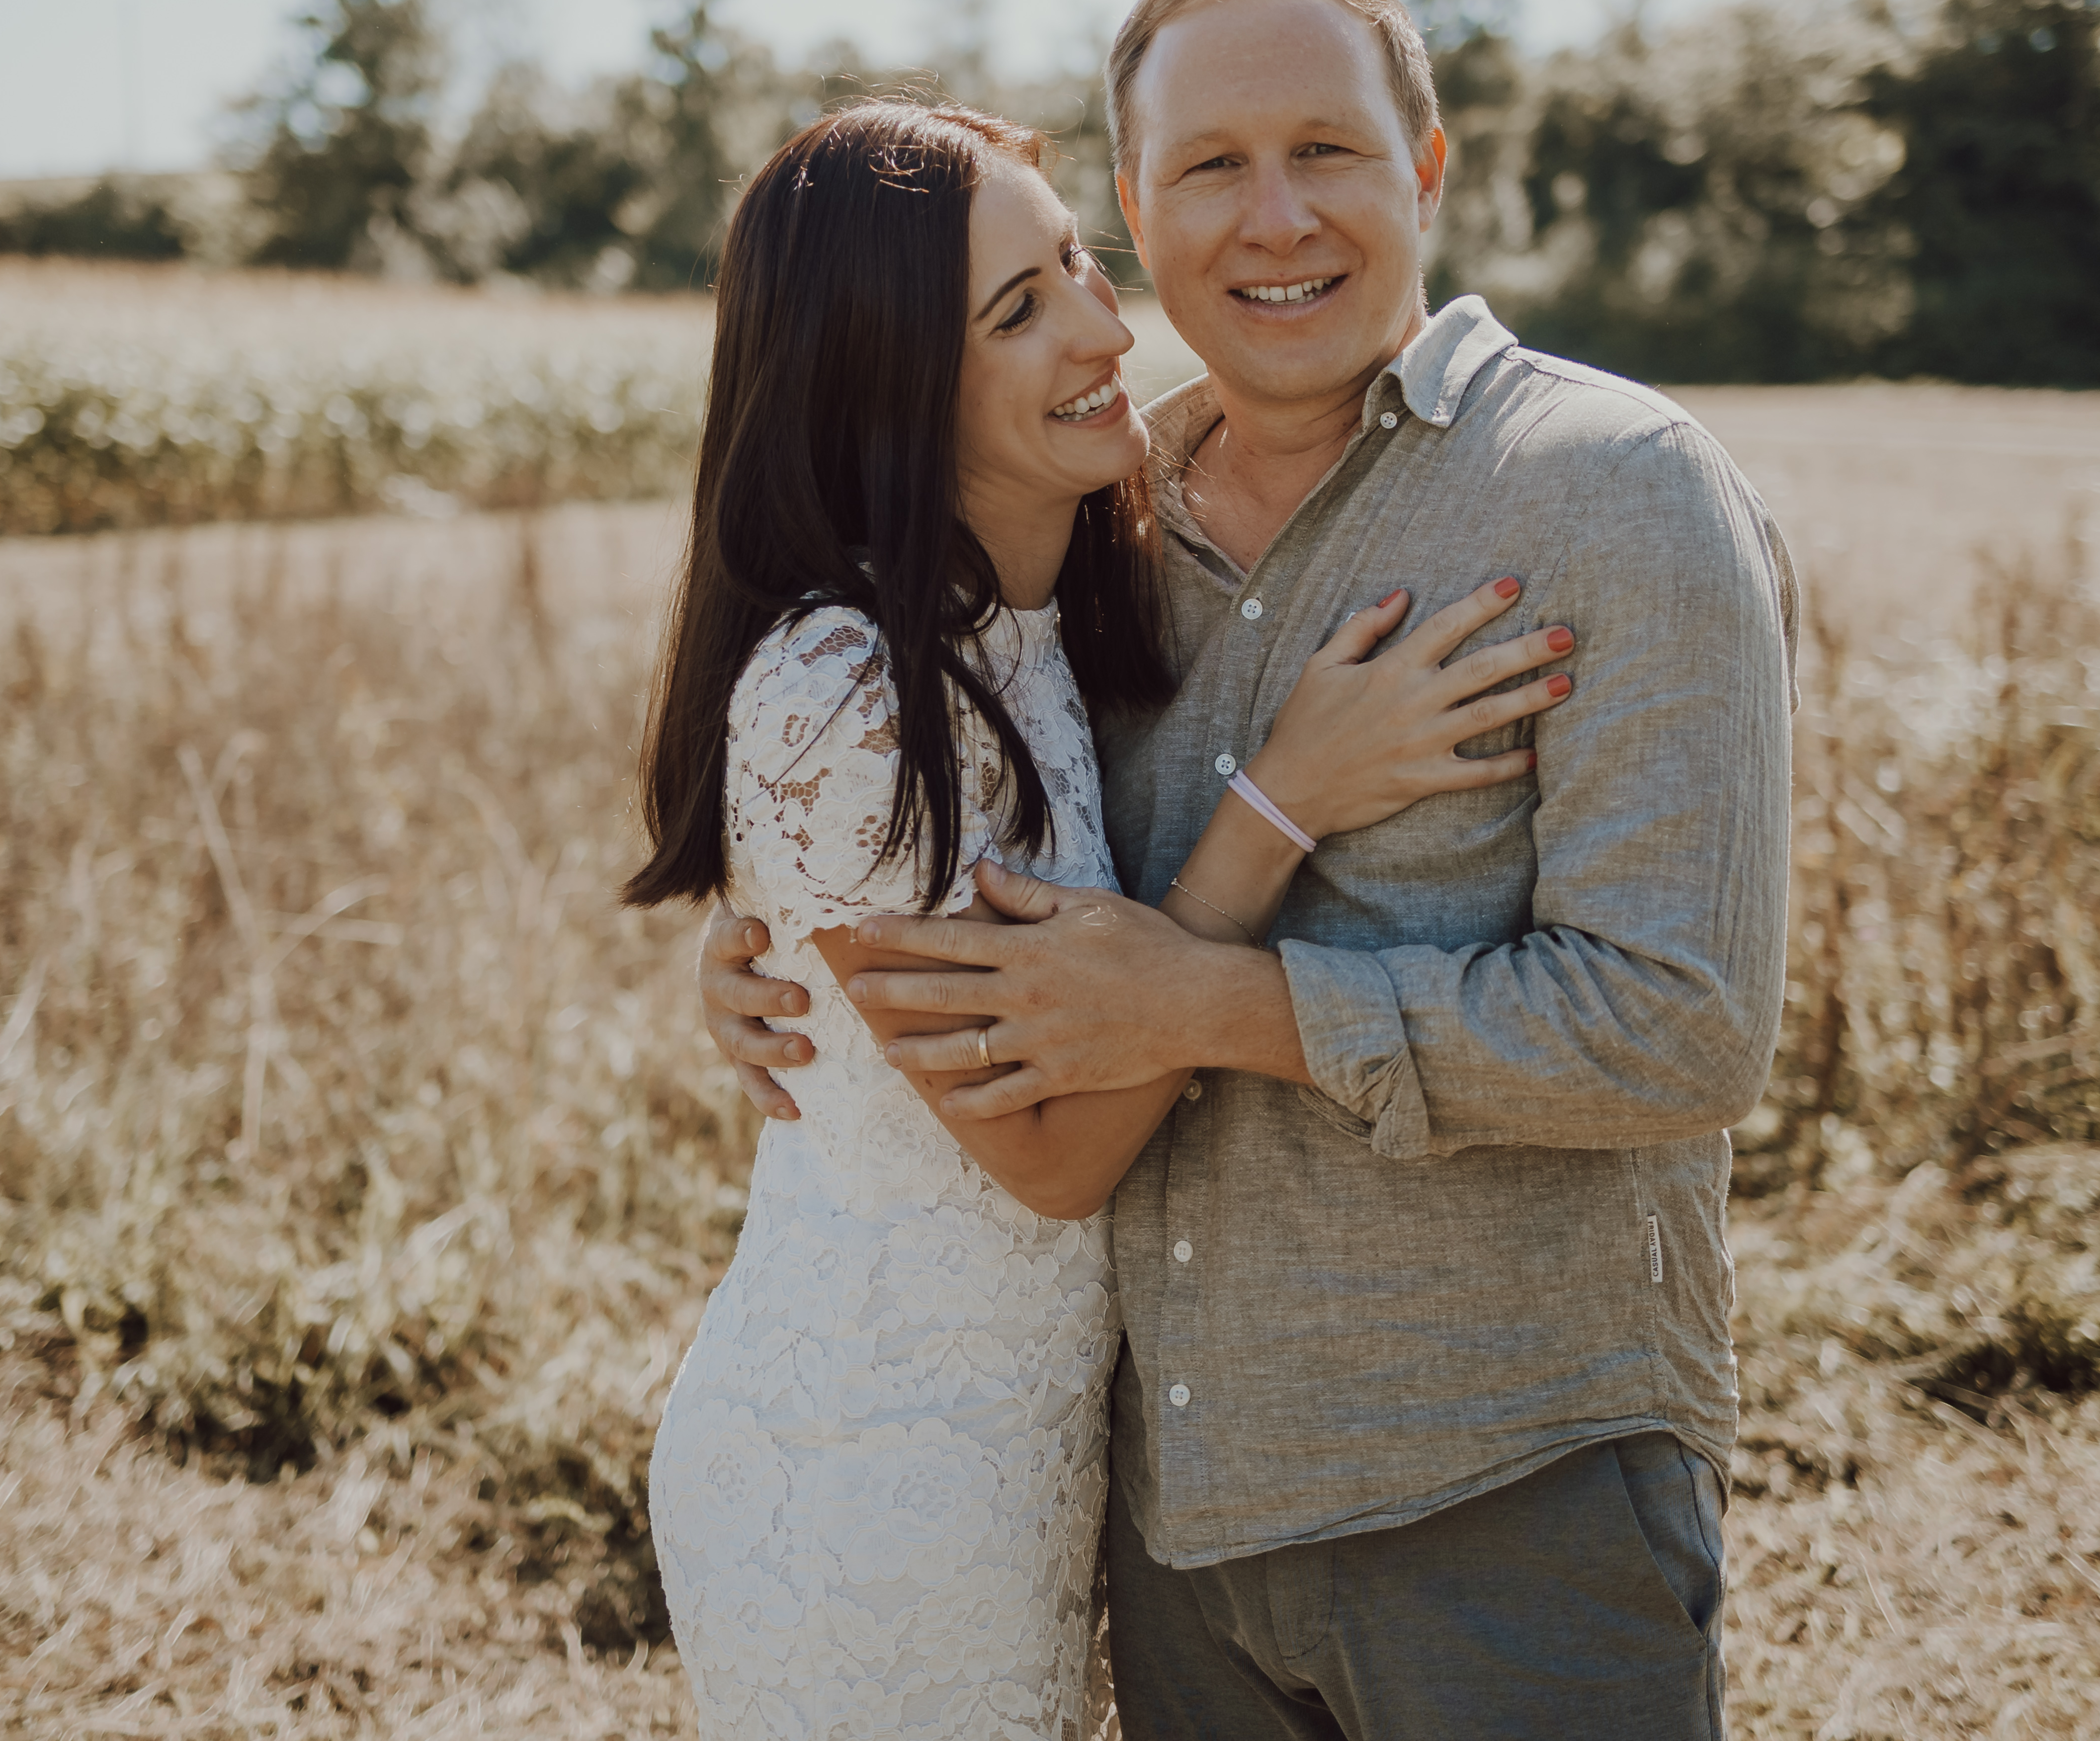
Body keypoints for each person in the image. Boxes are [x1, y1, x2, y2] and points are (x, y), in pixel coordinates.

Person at [701, 0, 1799, 1738]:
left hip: (1503, 1492)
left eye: (1329, 152)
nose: (1273, 217)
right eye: (1210, 166)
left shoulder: (1610, 489)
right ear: (1134, 207)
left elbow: (1680, 1024)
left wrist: (1211, 1006)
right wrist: (767, 949)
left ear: (1426, 168)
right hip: (1166, 1523)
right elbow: (912, 772)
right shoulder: (1098, 510)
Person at [623, 97, 1579, 1741]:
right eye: (1019, 311)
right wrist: (1285, 804)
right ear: (890, 390)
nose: (1103, 324)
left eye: (1075, 262)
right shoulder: (847, 682)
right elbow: (1052, 1159)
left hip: (1048, 1450)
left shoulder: (1037, 615)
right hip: (872, 1474)